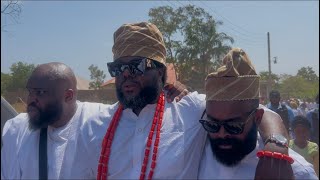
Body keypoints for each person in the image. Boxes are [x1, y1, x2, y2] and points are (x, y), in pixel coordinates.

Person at [70, 22, 293, 179]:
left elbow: (261, 112)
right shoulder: (96, 124)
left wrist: (276, 148)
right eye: (119, 68)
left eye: (136, 66)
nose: (126, 74)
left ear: (159, 71)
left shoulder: (189, 108)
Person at [0, 62, 187, 179]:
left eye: (40, 93)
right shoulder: (16, 130)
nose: (31, 99)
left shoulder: (100, 119)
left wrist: (172, 89)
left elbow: (142, 116)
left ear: (68, 95)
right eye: (30, 91)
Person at [198, 48, 318, 179]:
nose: (221, 134)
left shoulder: (296, 172)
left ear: (257, 117)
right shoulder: (198, 147)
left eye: (233, 126)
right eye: (212, 125)